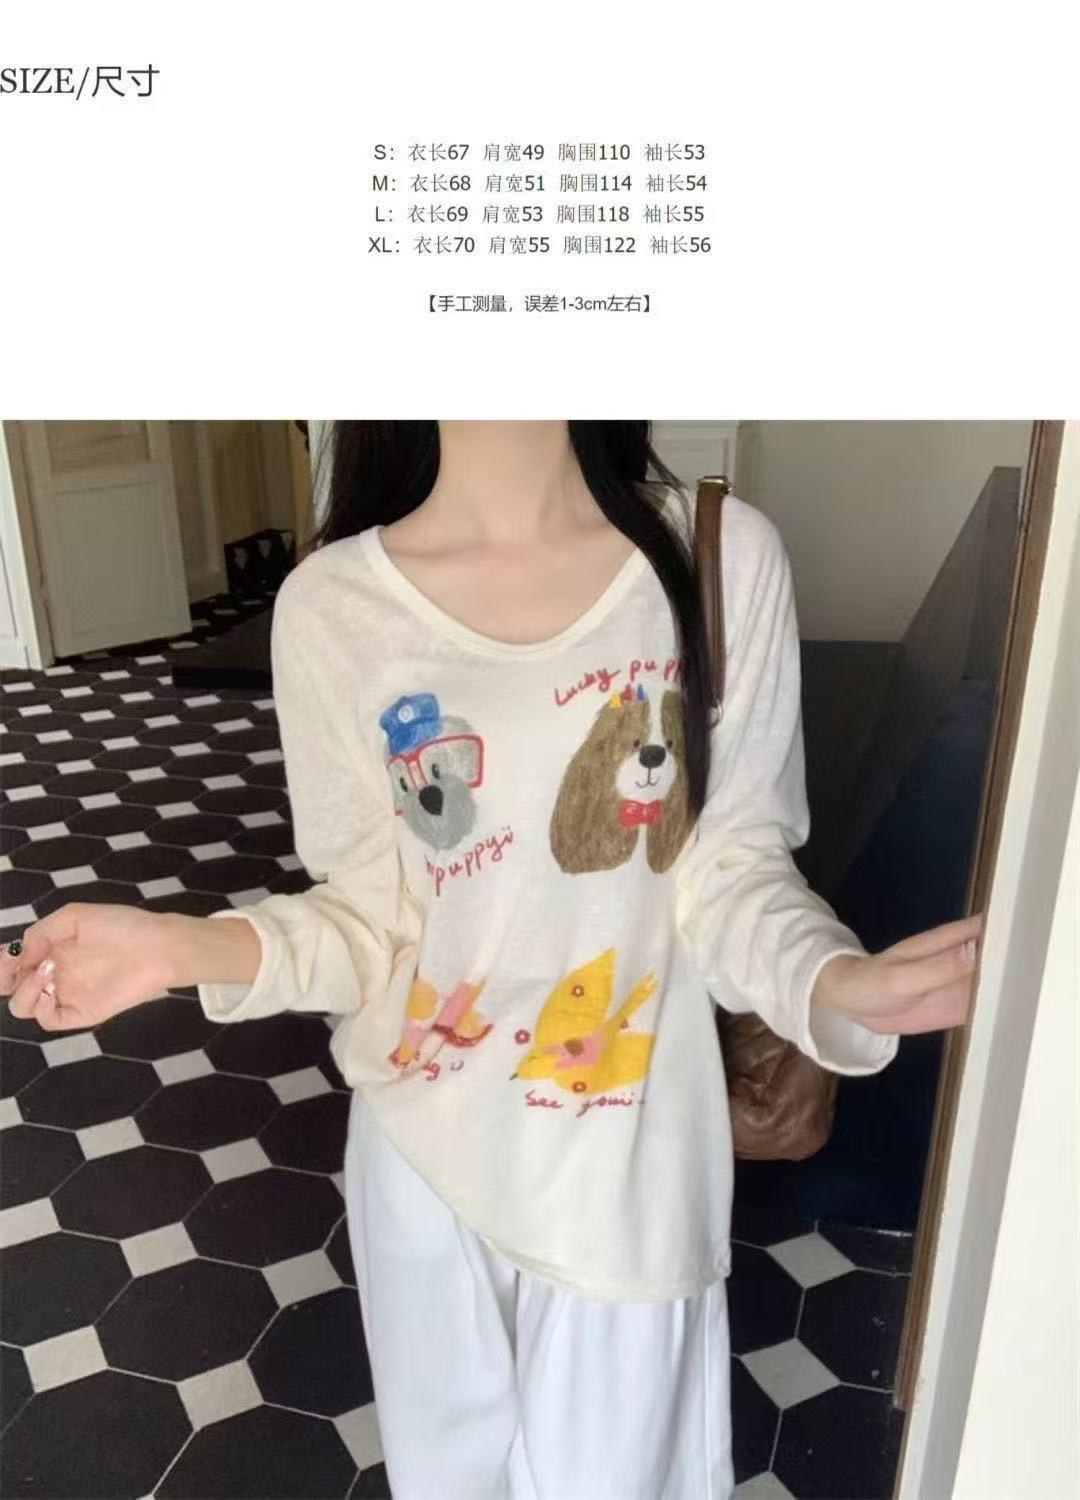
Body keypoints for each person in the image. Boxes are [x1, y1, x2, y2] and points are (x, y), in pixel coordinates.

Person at [0, 421, 980, 1500]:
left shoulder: (717, 557)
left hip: (626, 1167)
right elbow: (367, 924)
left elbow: (730, 871)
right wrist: (178, 948)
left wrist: (832, 981)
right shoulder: (333, 605)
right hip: (425, 1166)